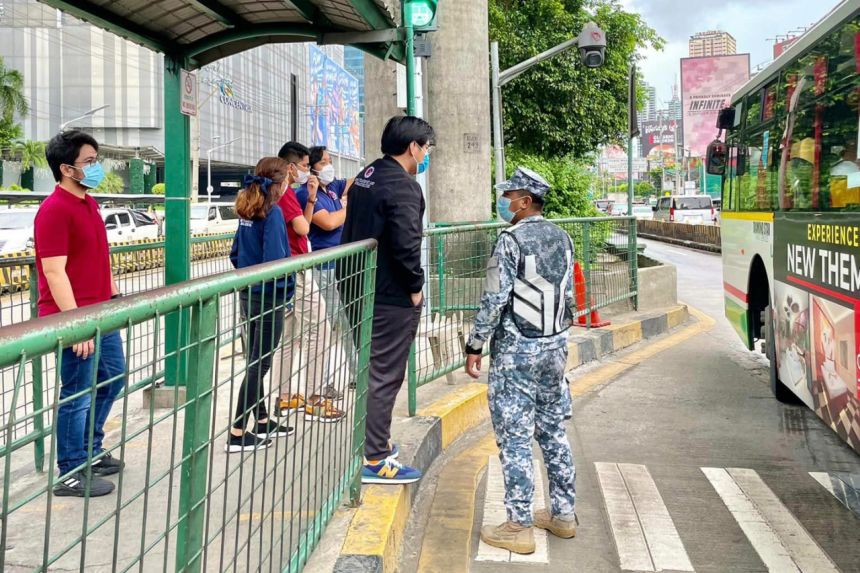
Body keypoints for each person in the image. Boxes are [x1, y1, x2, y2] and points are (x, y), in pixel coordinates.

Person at [464, 167, 577, 555]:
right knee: (553, 431)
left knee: (515, 438)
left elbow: (495, 298)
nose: (504, 201)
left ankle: (518, 525)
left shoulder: (510, 241)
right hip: (554, 348)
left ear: (526, 201)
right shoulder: (563, 237)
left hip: (516, 353)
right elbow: (569, 295)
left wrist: (475, 344)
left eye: (509, 196)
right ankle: (563, 515)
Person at [340, 115, 434, 484]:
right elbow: (406, 244)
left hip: (356, 285)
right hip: (388, 294)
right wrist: (415, 287)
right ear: (413, 147)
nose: (426, 155)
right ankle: (375, 458)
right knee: (384, 373)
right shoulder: (403, 187)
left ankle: (374, 441)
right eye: (426, 148)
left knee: (372, 368)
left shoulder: (368, 175)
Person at [37, 130, 125, 497]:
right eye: (89, 162)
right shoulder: (54, 210)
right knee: (78, 393)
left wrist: (114, 294)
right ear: (66, 169)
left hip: (100, 312)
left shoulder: (89, 204)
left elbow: (96, 256)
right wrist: (76, 325)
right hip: (74, 317)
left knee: (113, 377)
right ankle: (70, 470)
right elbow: (54, 271)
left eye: (95, 160)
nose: (96, 167)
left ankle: (90, 448)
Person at [227, 157, 295, 453]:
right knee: (261, 362)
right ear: (280, 183)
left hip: (249, 293)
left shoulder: (248, 209)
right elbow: (276, 261)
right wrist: (285, 291)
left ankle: (263, 419)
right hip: (269, 296)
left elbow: (235, 253)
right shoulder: (273, 212)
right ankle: (237, 431)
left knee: (255, 358)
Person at [275, 142, 345, 423]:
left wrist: (313, 199)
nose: (307, 171)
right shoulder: (286, 194)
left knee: (289, 335)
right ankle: (315, 399)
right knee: (320, 330)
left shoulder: (281, 192)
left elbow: (300, 227)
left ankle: (284, 396)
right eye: (305, 166)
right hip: (296, 269)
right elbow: (305, 228)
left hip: (286, 269)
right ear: (292, 167)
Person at [296, 146, 356, 388]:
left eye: (330, 161)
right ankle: (322, 383)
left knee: (346, 321)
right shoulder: (306, 194)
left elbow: (355, 181)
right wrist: (348, 208)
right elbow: (329, 223)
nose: (329, 166)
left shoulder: (331, 189)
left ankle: (356, 374)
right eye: (324, 162)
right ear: (311, 168)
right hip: (325, 267)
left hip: (341, 264)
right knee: (325, 326)